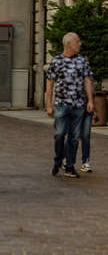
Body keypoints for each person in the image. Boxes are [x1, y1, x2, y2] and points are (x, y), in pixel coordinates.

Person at [46, 32, 94, 178]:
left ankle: (69, 167)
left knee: (74, 138)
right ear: (69, 44)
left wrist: (90, 100)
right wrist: (49, 105)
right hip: (61, 104)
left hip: (78, 105)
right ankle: (58, 160)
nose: (80, 44)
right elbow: (49, 85)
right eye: (77, 42)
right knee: (60, 134)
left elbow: (87, 80)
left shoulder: (82, 61)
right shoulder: (57, 61)